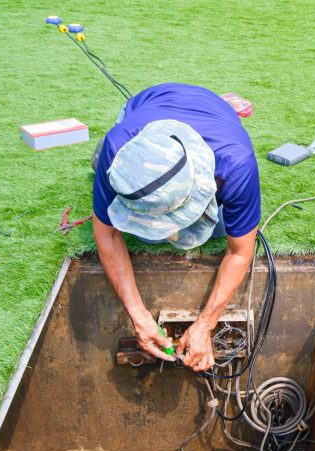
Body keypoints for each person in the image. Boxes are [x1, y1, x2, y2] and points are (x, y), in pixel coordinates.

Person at [91, 83, 260, 372]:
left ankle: (220, 105)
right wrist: (138, 314)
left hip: (215, 116)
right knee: (100, 168)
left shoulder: (236, 165)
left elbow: (240, 252)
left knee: (219, 229)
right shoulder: (117, 146)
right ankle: (97, 163)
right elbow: (106, 233)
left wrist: (207, 323)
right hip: (150, 101)